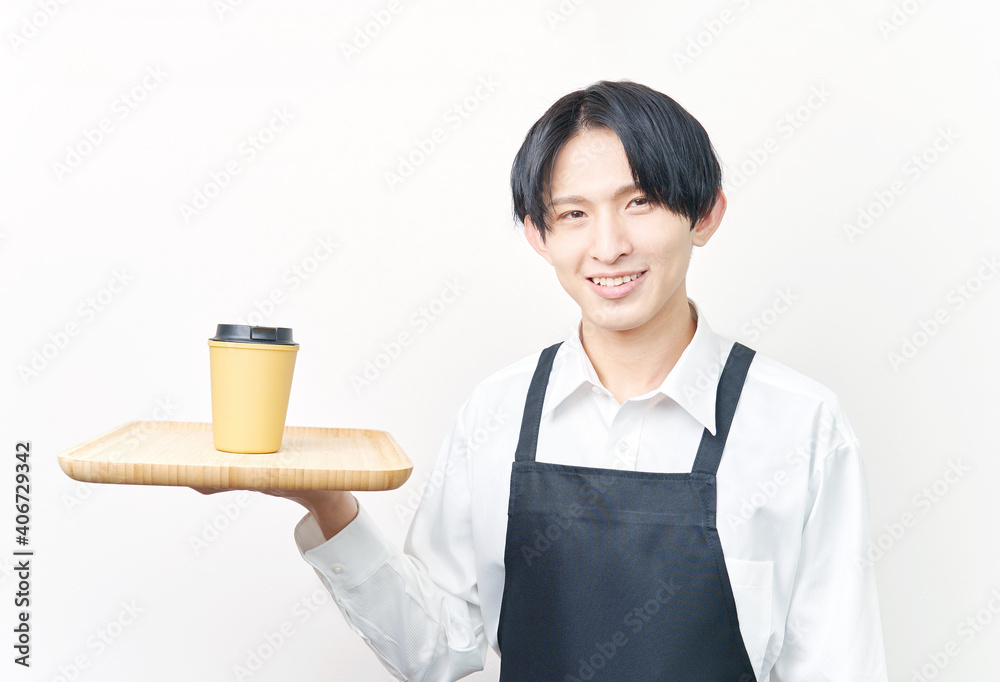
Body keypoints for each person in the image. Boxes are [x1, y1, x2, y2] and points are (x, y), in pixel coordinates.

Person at [197, 80, 888, 681]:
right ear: (537, 234)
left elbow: (836, 666)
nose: (608, 246)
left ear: (704, 214)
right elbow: (435, 651)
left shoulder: (799, 425)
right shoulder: (495, 413)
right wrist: (327, 504)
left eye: (641, 202)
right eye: (573, 214)